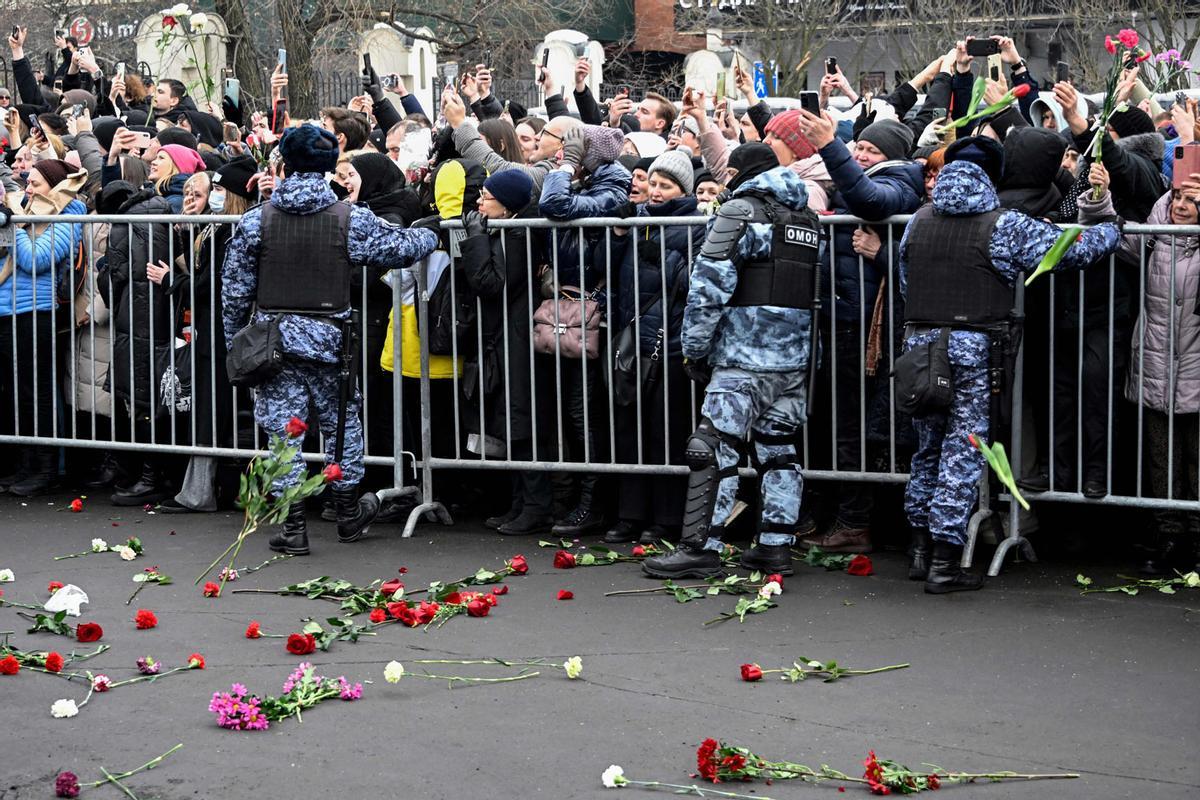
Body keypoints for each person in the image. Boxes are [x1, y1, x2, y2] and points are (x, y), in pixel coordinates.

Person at [897, 137, 1122, 593]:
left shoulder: (917, 221)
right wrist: (1112, 229)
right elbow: (1068, 249)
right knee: (963, 452)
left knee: (926, 449)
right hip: (974, 349)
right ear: (991, 178)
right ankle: (945, 562)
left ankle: (919, 551)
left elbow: (906, 280)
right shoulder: (1001, 225)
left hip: (919, 348)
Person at [221, 124, 439, 556]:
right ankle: (346, 514)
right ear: (328, 168)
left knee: (284, 436)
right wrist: (433, 229)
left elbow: (234, 291)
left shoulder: (255, 221)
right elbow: (399, 248)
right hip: (330, 341)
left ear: (283, 163)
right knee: (343, 428)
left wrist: (235, 340)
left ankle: (294, 527)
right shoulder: (348, 218)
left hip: (273, 342)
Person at [642, 142, 816, 579]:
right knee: (778, 453)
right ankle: (775, 548)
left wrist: (693, 350)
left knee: (712, 448)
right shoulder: (806, 218)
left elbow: (708, 289)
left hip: (743, 356)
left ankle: (700, 548)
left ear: (739, 173)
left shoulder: (740, 212)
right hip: (792, 359)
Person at [793, 109, 924, 554]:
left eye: (871, 149)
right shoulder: (853, 179)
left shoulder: (899, 180)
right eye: (859, 147)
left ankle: (855, 522)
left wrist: (832, 146)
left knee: (854, 428)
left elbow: (871, 202)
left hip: (865, 328)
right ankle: (839, 515)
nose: (862, 154)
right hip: (841, 319)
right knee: (837, 425)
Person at [1079, 163, 1200, 574]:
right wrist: (1100, 195)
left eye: (1192, 200)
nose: (1182, 207)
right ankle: (1169, 537)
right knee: (1160, 459)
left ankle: (1197, 540)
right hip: (1154, 367)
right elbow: (1113, 231)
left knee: (1196, 461)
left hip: (1195, 371)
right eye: (1178, 198)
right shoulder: (1154, 236)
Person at [606, 147, 705, 545]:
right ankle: (629, 514)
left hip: (673, 341)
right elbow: (605, 268)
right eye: (654, 183)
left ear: (683, 189)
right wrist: (615, 236)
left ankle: (666, 518)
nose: (657, 191)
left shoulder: (699, 224)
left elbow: (696, 278)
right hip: (634, 339)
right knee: (630, 430)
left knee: (667, 431)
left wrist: (660, 255)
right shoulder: (638, 219)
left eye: (667, 185)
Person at [538, 123, 632, 536]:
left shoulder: (613, 189)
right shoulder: (590, 184)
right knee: (570, 414)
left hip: (601, 320)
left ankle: (595, 504)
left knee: (585, 414)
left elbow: (554, 205)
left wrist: (568, 165)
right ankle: (577, 499)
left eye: (570, 149)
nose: (562, 155)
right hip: (572, 315)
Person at [458, 170, 555, 535]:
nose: (480, 203)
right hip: (504, 337)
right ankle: (520, 503)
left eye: (486, 196)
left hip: (518, 338)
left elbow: (490, 284)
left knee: (523, 421)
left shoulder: (519, 236)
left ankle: (536, 505)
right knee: (509, 419)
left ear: (508, 204)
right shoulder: (508, 231)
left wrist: (476, 238)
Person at [0, 159, 85, 495]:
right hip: (7, 311)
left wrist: (15, 224)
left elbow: (36, 259)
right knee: (16, 394)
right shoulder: (22, 212)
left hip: (36, 310)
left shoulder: (69, 213)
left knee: (38, 392)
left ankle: (47, 467)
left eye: (36, 184)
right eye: (27, 183)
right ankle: (26, 463)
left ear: (55, 185)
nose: (29, 190)